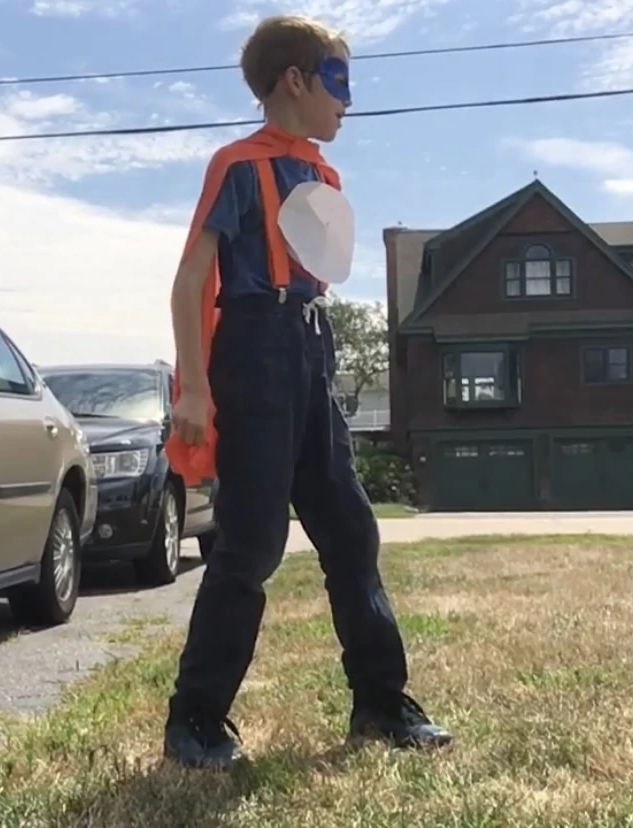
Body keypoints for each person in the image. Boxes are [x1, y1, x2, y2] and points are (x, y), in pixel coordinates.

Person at [161, 13, 452, 770]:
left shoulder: (325, 178)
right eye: (338, 81)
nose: (347, 102)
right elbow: (191, 279)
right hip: (253, 350)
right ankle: (195, 719)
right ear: (295, 81)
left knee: (350, 530)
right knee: (252, 541)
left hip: (311, 347)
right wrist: (194, 388)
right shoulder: (235, 165)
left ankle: (380, 702)